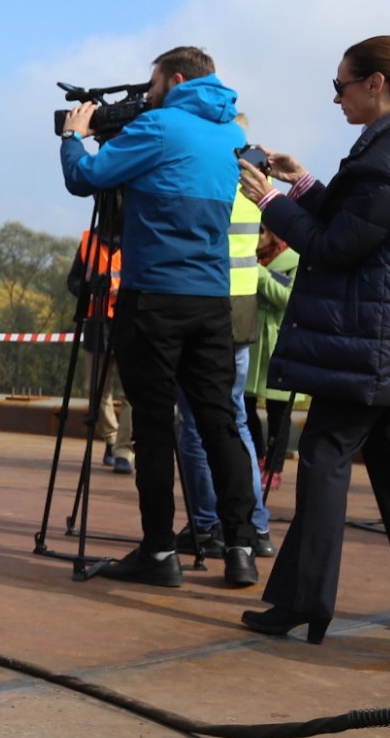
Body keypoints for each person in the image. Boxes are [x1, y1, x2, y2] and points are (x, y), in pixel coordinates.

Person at [238, 35, 390, 642]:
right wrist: (304, 184)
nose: (335, 97)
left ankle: (303, 600)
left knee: (325, 456)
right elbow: (359, 219)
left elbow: (337, 247)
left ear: (374, 84)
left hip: (376, 341)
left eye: (340, 85)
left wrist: (271, 202)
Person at [60, 46, 260, 589]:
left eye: (151, 85)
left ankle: (159, 551)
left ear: (174, 79)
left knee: (152, 423)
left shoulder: (162, 126)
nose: (146, 96)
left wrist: (73, 136)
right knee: (219, 420)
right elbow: (256, 163)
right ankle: (241, 546)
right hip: (212, 302)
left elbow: (88, 178)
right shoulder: (230, 134)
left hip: (153, 299)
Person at [173, 180, 275, 559]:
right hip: (243, 312)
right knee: (236, 421)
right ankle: (257, 526)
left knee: (198, 425)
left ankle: (207, 525)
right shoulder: (251, 191)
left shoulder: (207, 182)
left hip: (208, 308)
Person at [66, 226, 133, 475]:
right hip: (97, 322)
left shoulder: (138, 234)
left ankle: (124, 451)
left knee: (131, 393)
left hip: (129, 321)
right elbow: (72, 280)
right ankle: (112, 439)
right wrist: (91, 289)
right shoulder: (88, 241)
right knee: (96, 389)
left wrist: (125, 289)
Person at [245, 224, 299, 494]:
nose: (256, 237)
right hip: (252, 341)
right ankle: (256, 457)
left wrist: (259, 274)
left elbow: (290, 300)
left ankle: (274, 468)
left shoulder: (296, 260)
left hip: (279, 343)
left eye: (262, 231)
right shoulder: (249, 258)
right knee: (243, 403)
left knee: (279, 411)